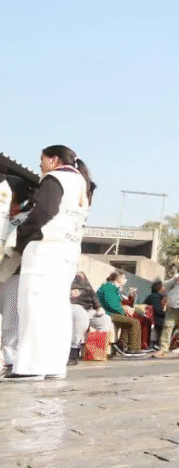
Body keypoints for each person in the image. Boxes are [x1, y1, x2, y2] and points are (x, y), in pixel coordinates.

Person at [2, 145, 95, 381]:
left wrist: (22, 235)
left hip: (45, 249)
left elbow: (43, 212)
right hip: (66, 251)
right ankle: (53, 365)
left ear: (53, 160)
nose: (40, 165)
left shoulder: (55, 178)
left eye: (42, 159)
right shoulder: (80, 184)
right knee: (57, 310)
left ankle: (30, 366)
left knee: (34, 308)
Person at [0, 175, 33, 372]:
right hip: (5, 275)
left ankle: (11, 359)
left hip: (15, 274)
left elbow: (16, 249)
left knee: (11, 319)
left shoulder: (25, 218)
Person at [68, 272, 111, 365]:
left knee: (105, 319)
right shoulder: (67, 283)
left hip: (88, 310)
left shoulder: (88, 287)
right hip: (72, 308)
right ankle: (73, 352)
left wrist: (99, 308)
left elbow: (94, 298)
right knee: (80, 316)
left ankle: (97, 351)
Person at [98, 270, 145, 355]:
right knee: (134, 322)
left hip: (113, 312)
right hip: (108, 313)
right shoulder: (108, 287)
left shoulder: (115, 289)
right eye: (124, 278)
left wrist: (131, 296)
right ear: (118, 279)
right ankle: (133, 348)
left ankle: (122, 344)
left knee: (131, 320)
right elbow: (112, 305)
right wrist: (124, 312)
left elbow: (127, 303)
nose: (125, 280)